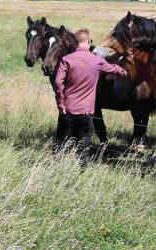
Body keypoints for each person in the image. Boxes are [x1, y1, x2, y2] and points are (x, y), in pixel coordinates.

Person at [54, 28, 128, 166]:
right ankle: (81, 172)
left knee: (62, 148)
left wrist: (60, 103)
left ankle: (60, 171)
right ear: (88, 41)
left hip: (67, 111)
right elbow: (113, 69)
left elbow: (58, 82)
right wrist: (123, 71)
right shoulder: (97, 61)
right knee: (83, 148)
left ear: (76, 43)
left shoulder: (66, 60)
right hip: (86, 113)